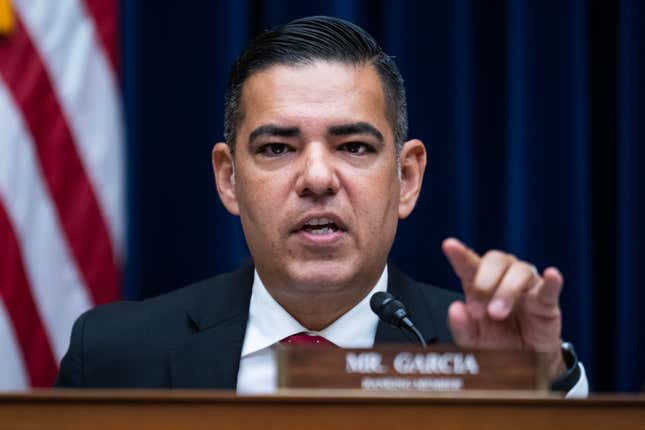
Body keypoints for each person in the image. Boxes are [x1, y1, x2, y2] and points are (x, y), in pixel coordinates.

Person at [55, 16, 587, 396]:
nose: (316, 178)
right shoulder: (112, 355)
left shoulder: (483, 357)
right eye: (277, 148)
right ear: (228, 179)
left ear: (406, 178)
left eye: (353, 146)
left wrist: (539, 384)